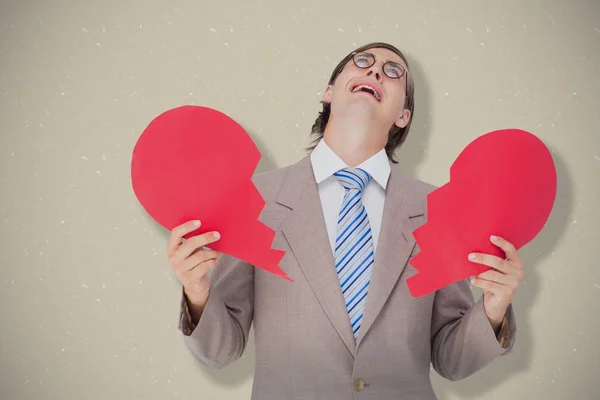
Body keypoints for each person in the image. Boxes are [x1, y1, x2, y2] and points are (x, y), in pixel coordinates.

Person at [166, 42, 523, 399]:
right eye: (362, 61)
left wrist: (493, 308)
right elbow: (221, 350)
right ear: (329, 92)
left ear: (404, 116)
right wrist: (197, 293)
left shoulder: (438, 209)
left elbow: (452, 360)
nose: (376, 71)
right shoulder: (257, 199)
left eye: (394, 70)